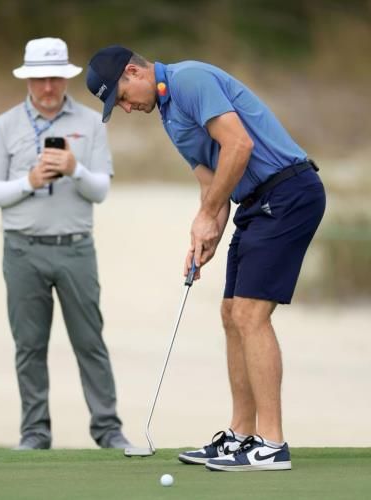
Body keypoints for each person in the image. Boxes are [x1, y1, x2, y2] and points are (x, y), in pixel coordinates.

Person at [85, 45, 326, 471]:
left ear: (133, 71)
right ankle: (240, 435)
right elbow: (211, 181)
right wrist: (207, 230)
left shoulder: (190, 79)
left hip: (289, 192)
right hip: (255, 203)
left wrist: (205, 214)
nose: (124, 108)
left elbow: (239, 145)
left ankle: (272, 444)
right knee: (231, 312)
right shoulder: (169, 118)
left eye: (121, 97)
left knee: (251, 314)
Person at [0, 38, 130, 450]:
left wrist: (74, 169)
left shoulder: (92, 121)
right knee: (29, 346)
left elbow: (100, 190)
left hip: (76, 248)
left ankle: (108, 430)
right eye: (41, 79)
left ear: (66, 79)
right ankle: (35, 433)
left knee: (90, 341)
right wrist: (29, 181)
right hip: (22, 249)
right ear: (28, 80)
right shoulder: (4, 125)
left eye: (56, 79)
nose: (48, 87)